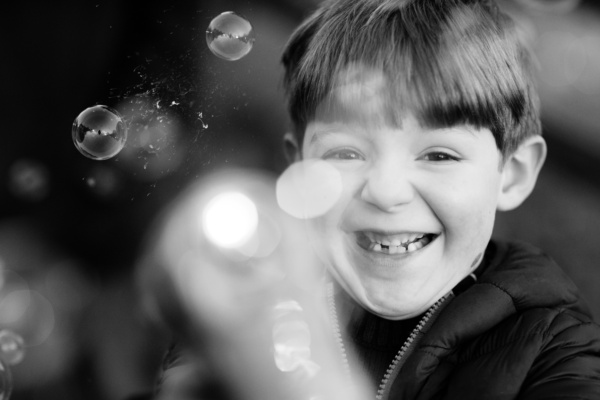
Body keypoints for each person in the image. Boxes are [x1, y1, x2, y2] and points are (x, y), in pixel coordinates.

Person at [145, 0, 600, 399]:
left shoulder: (560, 352)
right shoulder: (242, 320)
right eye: (345, 152)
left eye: (439, 154)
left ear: (513, 175)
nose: (384, 191)